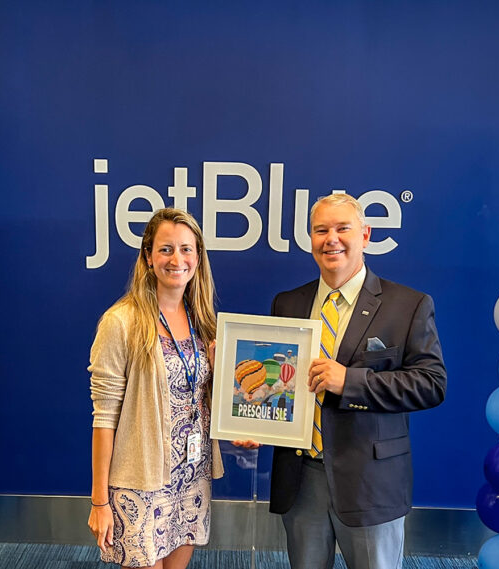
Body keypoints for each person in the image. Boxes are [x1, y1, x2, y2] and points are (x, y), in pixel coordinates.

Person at [267, 193, 447, 569]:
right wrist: (258, 422)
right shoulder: (288, 303)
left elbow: (431, 383)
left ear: (364, 235)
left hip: (370, 481)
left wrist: (351, 381)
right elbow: (281, 385)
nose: (331, 239)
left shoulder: (408, 305)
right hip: (302, 480)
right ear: (310, 239)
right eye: (321, 230)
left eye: (342, 228)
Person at [88, 208, 223, 569]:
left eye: (186, 249)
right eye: (165, 249)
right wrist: (99, 501)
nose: (176, 259)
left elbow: (208, 397)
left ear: (198, 257)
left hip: (192, 475)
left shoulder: (203, 321)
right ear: (148, 257)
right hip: (142, 481)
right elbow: (104, 417)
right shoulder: (121, 322)